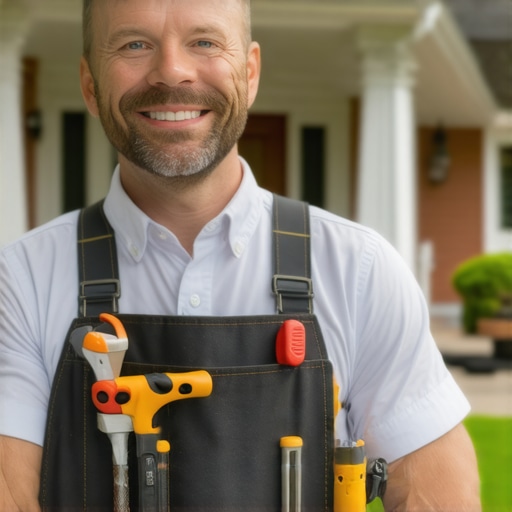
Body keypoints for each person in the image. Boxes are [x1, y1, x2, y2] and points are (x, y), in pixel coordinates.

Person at [0, 0, 481, 510]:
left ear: (249, 73)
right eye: (134, 44)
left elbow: (435, 494)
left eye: (204, 42)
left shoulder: (360, 271)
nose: (173, 71)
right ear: (90, 84)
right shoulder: (23, 282)